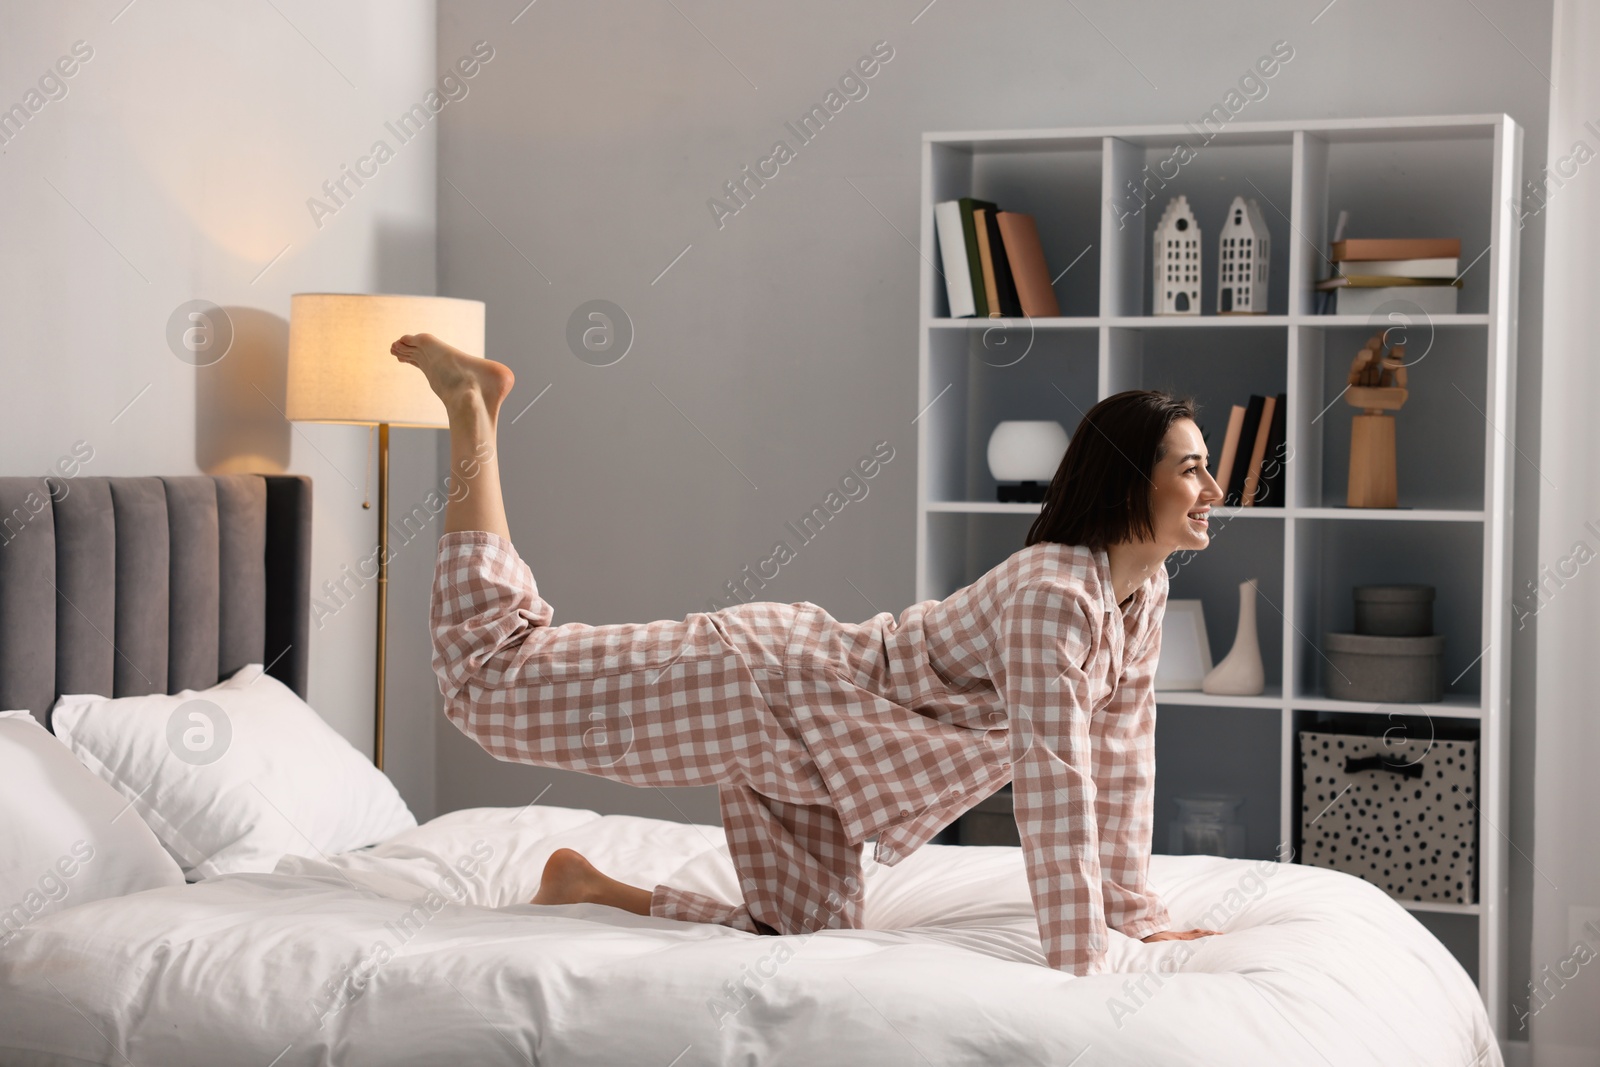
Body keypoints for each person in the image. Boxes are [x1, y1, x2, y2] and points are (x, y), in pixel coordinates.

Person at [392, 330, 1224, 977]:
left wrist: (1130, 909)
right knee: (487, 679)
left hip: (834, 758)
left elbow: (1120, 758)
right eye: (1192, 470)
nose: (1213, 489)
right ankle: (472, 403)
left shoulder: (1139, 594)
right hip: (765, 687)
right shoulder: (1054, 594)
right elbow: (1055, 781)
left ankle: (587, 887)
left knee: (801, 936)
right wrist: (1083, 961)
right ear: (1127, 480)